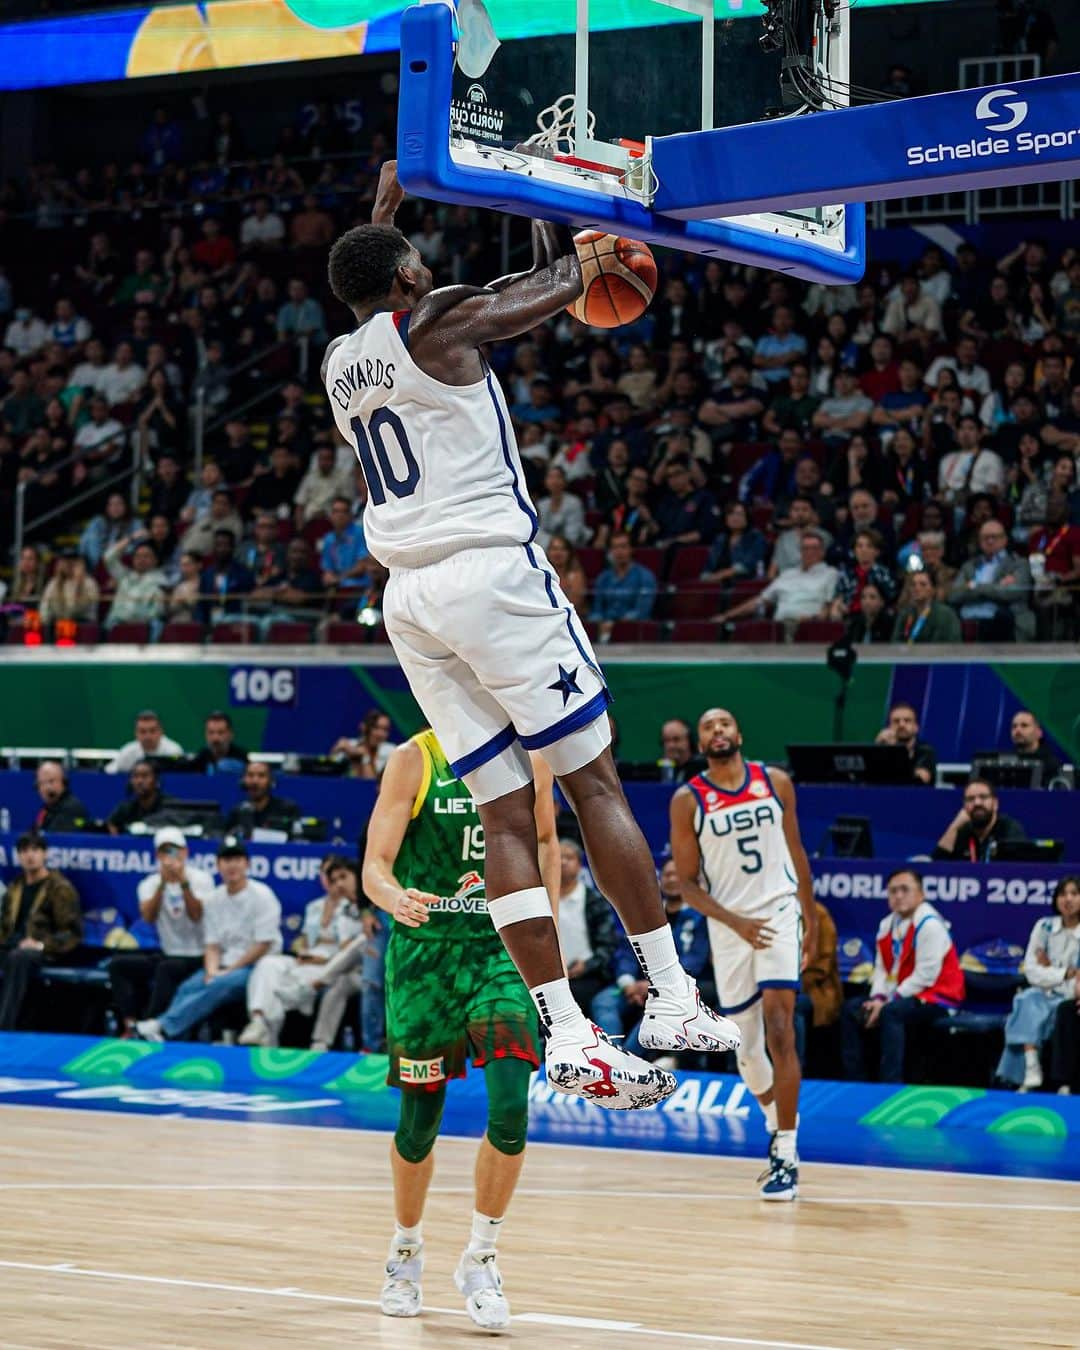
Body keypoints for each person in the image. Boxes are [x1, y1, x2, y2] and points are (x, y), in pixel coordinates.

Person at [322, 162, 737, 1110]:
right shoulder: (438, 320)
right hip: (487, 577)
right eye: (416, 261)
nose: (428, 270)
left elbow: (367, 289)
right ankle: (669, 997)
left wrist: (391, 212)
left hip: (409, 602)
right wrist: (564, 210)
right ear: (409, 279)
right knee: (592, 781)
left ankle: (566, 1033)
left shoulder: (343, 360)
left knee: (507, 813)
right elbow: (560, 291)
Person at [361, 731, 555, 1329]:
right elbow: (374, 867)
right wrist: (395, 900)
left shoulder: (531, 758)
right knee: (419, 1123)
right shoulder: (414, 759)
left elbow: (545, 841)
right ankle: (405, 1251)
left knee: (510, 1105)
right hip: (426, 956)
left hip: (500, 950)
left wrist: (545, 933)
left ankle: (481, 1257)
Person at [670, 707, 816, 1200]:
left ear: (740, 732)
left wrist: (809, 916)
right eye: (707, 726)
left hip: (777, 914)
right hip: (729, 927)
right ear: (699, 742)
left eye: (725, 723)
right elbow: (687, 886)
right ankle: (776, 1127)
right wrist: (735, 922)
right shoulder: (688, 799)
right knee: (747, 1050)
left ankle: (788, 1150)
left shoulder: (775, 781)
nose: (717, 731)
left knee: (781, 1026)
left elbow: (796, 850)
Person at [136, 838, 282, 1042]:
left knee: (219, 985)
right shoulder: (214, 899)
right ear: (218, 865)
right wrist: (212, 971)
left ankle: (164, 1026)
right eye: (226, 860)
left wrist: (227, 972)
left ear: (247, 864)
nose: (232, 865)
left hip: (257, 967)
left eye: (237, 859)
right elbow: (212, 944)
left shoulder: (262, 895)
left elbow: (262, 945)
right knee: (190, 987)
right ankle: (169, 1037)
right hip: (224, 963)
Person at [841, 869, 965, 1083]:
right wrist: (877, 998)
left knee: (892, 1013)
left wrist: (887, 1002)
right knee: (851, 1009)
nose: (898, 896)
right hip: (898, 994)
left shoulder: (931, 925)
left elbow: (925, 976)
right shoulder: (887, 925)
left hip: (938, 996)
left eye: (905, 890)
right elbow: (881, 969)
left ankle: (890, 1085)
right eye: (892, 891)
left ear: (921, 894)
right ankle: (856, 1082)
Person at [239, 856, 364, 1049]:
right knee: (269, 964)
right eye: (328, 875)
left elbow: (350, 949)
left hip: (333, 963)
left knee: (285, 985)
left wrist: (322, 959)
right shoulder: (315, 907)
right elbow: (304, 939)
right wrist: (302, 951)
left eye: (341, 876)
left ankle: (270, 1038)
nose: (335, 882)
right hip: (309, 958)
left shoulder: (359, 907)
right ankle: (258, 1021)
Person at [107, 827, 213, 1036]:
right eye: (165, 852)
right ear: (157, 856)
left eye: (174, 851)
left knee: (166, 969)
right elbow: (148, 917)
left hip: (197, 956)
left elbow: (196, 915)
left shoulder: (202, 879)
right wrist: (163, 884)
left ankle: (150, 1025)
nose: (170, 857)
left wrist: (183, 883)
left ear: (185, 853)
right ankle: (130, 1023)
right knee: (119, 965)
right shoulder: (150, 884)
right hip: (168, 951)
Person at [996, 877, 1080, 1091]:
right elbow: (1031, 970)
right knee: (1025, 999)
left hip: (1071, 996)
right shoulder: (1044, 926)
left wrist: (1051, 969)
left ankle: (1062, 1082)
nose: (1068, 899)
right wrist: (1063, 973)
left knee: (1062, 1010)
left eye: (1074, 893)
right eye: (1063, 894)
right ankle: (1032, 1068)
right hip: (1045, 992)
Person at [0, 833, 82, 1030]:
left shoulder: (59, 888)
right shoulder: (15, 887)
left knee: (19, 957)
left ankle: (5, 1029)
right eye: (25, 851)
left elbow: (72, 933)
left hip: (45, 951)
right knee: (14, 954)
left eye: (35, 850)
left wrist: (41, 945)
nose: (30, 856)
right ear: (18, 856)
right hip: (13, 946)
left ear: (45, 854)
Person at [556, 838, 621, 1036]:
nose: (562, 862)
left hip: (588, 976)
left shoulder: (594, 900)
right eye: (558, 857)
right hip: (550, 975)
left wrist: (587, 965)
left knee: (571, 999)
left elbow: (608, 944)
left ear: (580, 864)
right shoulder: (541, 900)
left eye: (569, 857)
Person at [716, 529, 838, 628]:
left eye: (814, 548)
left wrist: (813, 620)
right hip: (777, 628)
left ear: (822, 552)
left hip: (809, 628)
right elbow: (759, 601)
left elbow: (828, 609)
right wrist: (726, 616)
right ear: (800, 551)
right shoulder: (787, 574)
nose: (809, 552)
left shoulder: (831, 574)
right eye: (805, 548)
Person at [947, 518, 1035, 641]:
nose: (990, 541)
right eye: (985, 537)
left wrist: (975, 586)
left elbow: (1013, 592)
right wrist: (995, 587)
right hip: (968, 619)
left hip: (1002, 621)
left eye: (995, 537)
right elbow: (953, 594)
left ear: (1005, 539)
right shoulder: (969, 565)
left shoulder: (1018, 564)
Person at [933, 778, 1028, 862]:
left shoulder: (1009, 829)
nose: (977, 803)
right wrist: (955, 826)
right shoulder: (962, 830)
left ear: (995, 804)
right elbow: (936, 867)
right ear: (964, 805)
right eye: (970, 799)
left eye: (983, 797)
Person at [589, 530, 657, 640]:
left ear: (631, 549)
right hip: (604, 632)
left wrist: (616, 625)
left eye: (623, 547)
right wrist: (599, 622)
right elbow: (597, 610)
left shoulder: (645, 577)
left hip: (634, 633)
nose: (619, 551)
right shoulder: (603, 578)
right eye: (615, 547)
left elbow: (641, 612)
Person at [224, 762, 300, 838]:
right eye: (250, 775)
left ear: (271, 781)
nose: (255, 781)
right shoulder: (237, 812)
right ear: (243, 781)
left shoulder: (288, 809)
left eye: (261, 775)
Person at [892, 568, 962, 644]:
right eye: (913, 584)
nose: (917, 588)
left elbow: (942, 645)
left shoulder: (945, 614)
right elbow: (895, 642)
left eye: (923, 584)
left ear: (933, 590)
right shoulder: (905, 613)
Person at [874, 702, 937, 784]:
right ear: (889, 727)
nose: (901, 725)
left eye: (907, 721)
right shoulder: (883, 748)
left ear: (916, 727)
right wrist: (877, 748)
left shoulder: (925, 750)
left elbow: (920, 780)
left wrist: (895, 752)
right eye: (896, 721)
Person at [106, 710, 183, 775]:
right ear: (136, 733)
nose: (148, 736)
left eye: (152, 731)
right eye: (143, 731)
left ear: (161, 731)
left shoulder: (173, 751)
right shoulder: (128, 751)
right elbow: (108, 772)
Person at [330, 709, 397, 779]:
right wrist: (336, 750)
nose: (380, 734)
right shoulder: (349, 745)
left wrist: (365, 756)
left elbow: (371, 785)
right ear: (363, 727)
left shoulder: (391, 752)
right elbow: (328, 775)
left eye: (385, 730)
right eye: (376, 727)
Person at [106, 760, 167, 833]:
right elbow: (111, 826)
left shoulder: (170, 806)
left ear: (157, 780)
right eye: (135, 776)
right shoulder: (125, 809)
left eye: (145, 776)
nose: (139, 781)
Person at [1009, 710, 1064, 786]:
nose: (1017, 730)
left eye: (1024, 725)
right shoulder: (1007, 762)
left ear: (1039, 732)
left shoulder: (1053, 765)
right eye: (1014, 726)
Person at [30, 761, 89, 832]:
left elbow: (54, 837)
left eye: (51, 781)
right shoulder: (46, 809)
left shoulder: (73, 808)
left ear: (64, 782)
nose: (46, 787)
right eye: (41, 783)